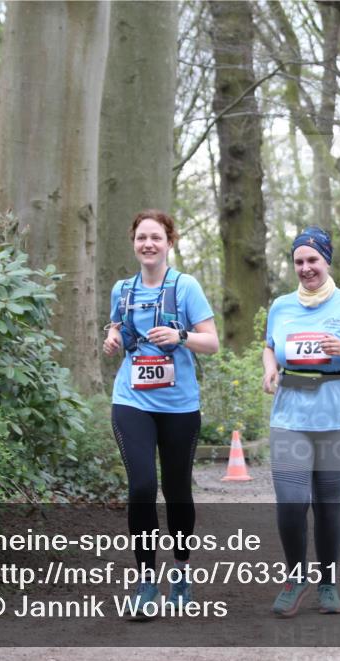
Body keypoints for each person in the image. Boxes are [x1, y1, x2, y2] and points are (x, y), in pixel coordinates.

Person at [103, 209, 219, 620]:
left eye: (156, 237)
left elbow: (212, 342)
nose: (148, 244)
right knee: (141, 487)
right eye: (141, 238)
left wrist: (181, 336)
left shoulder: (185, 287)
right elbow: (117, 326)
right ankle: (146, 580)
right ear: (133, 243)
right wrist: (114, 337)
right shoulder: (123, 288)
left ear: (170, 241)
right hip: (132, 400)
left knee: (176, 491)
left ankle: (182, 573)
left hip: (179, 405)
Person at [261, 227, 340, 617]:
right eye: (299, 261)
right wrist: (269, 371)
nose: (306, 268)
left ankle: (328, 583)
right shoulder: (281, 306)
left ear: (327, 260)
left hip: (339, 418)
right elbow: (269, 347)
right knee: (291, 504)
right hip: (290, 417)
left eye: (313, 260)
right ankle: (296, 580)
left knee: (328, 506)